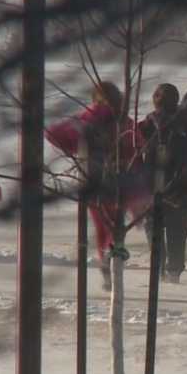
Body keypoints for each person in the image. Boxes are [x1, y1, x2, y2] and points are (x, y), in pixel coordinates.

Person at [46, 81, 144, 290]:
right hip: (121, 181)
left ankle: (107, 260)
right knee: (116, 225)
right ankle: (113, 258)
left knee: (102, 227)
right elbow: (138, 147)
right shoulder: (125, 121)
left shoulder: (86, 119)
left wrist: (75, 144)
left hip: (93, 180)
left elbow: (53, 133)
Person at [138, 83, 187, 284]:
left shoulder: (146, 124)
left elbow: (136, 152)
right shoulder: (186, 124)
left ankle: (159, 267)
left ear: (155, 101)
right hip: (178, 185)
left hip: (151, 185)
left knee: (153, 226)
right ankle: (174, 269)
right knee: (177, 230)